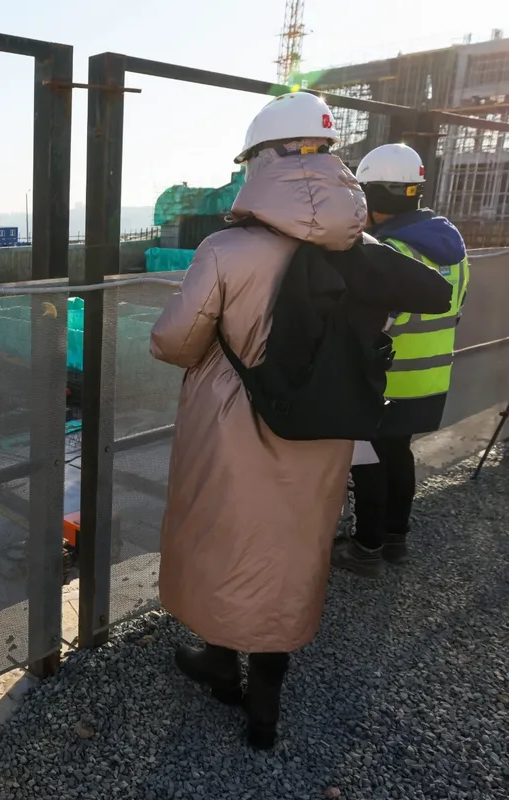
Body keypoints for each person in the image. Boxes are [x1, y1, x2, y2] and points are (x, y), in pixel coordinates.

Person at [150, 92, 366, 750]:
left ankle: (220, 662)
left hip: (233, 428)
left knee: (226, 538)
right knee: (292, 548)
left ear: (264, 161)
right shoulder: (363, 247)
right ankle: (265, 700)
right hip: (324, 426)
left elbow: (174, 342)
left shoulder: (226, 249)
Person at [332, 143, 469, 577]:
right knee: (398, 454)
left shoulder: (391, 253)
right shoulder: (453, 249)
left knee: (370, 463)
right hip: (430, 381)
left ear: (373, 196)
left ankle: (365, 549)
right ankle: (395, 539)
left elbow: (375, 322)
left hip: (387, 381)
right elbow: (454, 310)